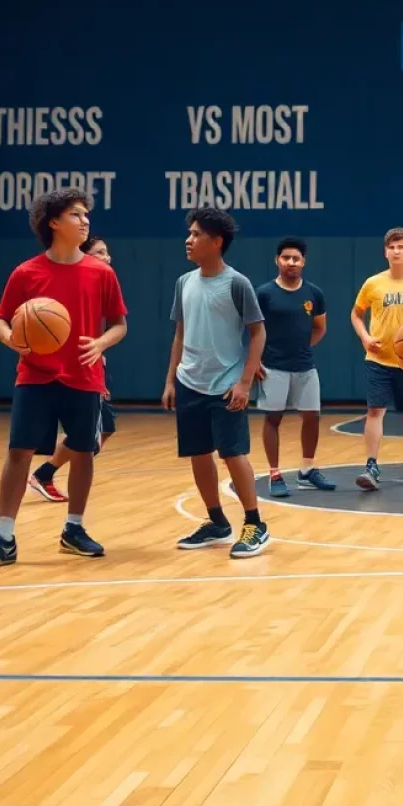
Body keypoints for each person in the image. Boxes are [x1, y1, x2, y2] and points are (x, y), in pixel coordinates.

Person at [0, 190, 127, 564]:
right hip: (35, 376)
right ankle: (4, 533)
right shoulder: (27, 272)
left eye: (86, 215)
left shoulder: (101, 272)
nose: (85, 221)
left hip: (84, 377)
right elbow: (3, 318)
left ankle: (74, 527)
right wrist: (12, 340)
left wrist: (101, 343)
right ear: (53, 222)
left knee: (85, 452)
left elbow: (119, 325)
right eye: (76, 214)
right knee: (19, 452)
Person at [161, 207, 270, 559]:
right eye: (189, 233)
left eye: (196, 234)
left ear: (217, 241)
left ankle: (255, 523)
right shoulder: (184, 282)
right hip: (189, 381)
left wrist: (244, 381)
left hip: (226, 384)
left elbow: (257, 333)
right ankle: (217, 522)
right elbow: (179, 334)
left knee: (233, 453)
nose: (188, 240)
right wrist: (171, 380)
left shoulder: (237, 283)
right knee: (197, 453)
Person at [28, 235, 118, 504]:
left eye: (107, 252)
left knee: (102, 430)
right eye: (100, 252)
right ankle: (45, 473)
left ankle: (46, 472)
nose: (107, 257)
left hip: (94, 362)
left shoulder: (101, 281)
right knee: (92, 435)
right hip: (77, 369)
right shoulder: (70, 282)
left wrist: (100, 348)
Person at [350, 228, 403, 489]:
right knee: (374, 410)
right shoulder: (373, 283)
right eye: (392, 247)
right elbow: (356, 314)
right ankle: (371, 465)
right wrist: (365, 337)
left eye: (402, 246)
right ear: (385, 252)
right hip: (378, 358)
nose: (397, 251)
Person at [255, 237, 333, 498]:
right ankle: (275, 474)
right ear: (277, 260)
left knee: (312, 416)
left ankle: (307, 470)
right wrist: (254, 360)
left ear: (303, 262)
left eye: (296, 258)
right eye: (286, 258)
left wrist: (302, 346)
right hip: (272, 367)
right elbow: (252, 329)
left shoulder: (314, 293)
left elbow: (320, 327)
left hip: (304, 366)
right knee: (273, 419)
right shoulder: (264, 293)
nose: (291, 262)